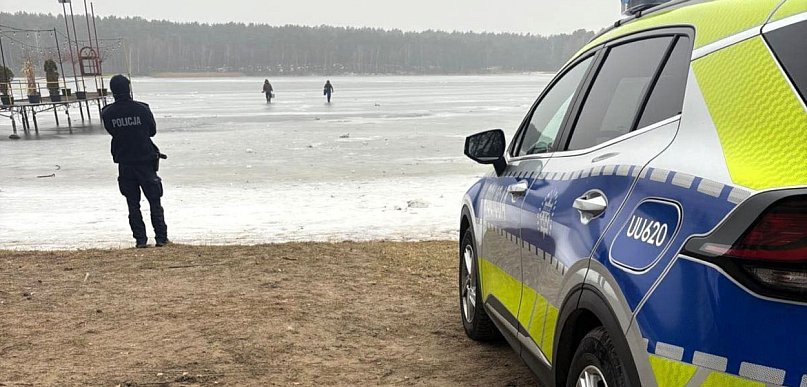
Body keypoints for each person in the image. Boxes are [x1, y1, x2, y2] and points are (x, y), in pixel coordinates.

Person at [101, 74, 169, 248]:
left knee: (133, 204)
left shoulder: (108, 113)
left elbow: (111, 131)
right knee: (155, 201)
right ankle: (161, 238)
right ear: (129, 89)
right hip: (145, 162)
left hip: (125, 163)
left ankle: (140, 240)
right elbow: (152, 131)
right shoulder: (142, 109)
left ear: (112, 91)